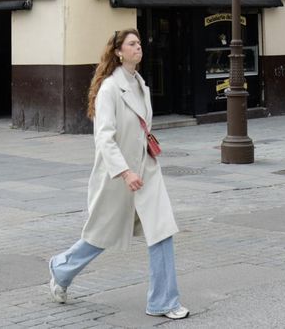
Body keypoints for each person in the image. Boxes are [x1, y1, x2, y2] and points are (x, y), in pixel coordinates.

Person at [48, 29, 187, 319]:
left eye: (139, 43)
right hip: (118, 177)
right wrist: (125, 172)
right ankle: (61, 268)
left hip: (146, 171)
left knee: (162, 231)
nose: (139, 47)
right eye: (132, 44)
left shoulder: (140, 83)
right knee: (100, 236)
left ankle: (164, 301)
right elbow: (104, 138)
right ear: (118, 52)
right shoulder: (109, 89)